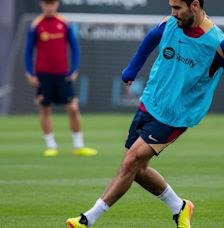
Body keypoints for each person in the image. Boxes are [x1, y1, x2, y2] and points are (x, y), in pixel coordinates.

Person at [66, 0, 224, 227]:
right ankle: (180, 207)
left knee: (130, 161)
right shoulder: (170, 24)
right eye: (171, 7)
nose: (173, 13)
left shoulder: (216, 43)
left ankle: (87, 219)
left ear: (195, 5)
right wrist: (132, 68)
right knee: (137, 169)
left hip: (175, 116)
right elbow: (151, 38)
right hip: (150, 102)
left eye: (178, 8)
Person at [24, 0, 97, 157]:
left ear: (57, 4)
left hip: (62, 74)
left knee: (73, 108)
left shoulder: (64, 23)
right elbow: (28, 51)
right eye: (46, 3)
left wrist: (74, 69)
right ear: (41, 4)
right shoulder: (36, 25)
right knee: (44, 108)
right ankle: (51, 146)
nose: (49, 6)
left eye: (52, 3)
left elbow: (75, 48)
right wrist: (30, 73)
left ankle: (78, 146)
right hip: (43, 74)